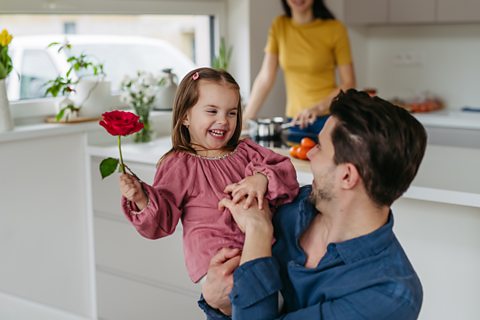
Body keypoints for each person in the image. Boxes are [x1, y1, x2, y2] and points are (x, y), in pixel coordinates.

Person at [199, 89, 427, 319]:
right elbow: (226, 294)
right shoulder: (288, 205)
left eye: (319, 146)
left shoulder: (389, 297)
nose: (310, 155)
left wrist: (258, 233)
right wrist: (218, 304)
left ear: (347, 176)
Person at [119, 67, 299, 284]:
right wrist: (140, 198)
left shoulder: (247, 151)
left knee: (271, 301)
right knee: (246, 300)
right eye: (212, 111)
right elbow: (162, 221)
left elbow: (286, 174)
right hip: (215, 262)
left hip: (262, 250)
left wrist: (261, 178)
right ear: (186, 116)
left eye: (231, 112)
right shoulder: (179, 164)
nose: (223, 120)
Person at [243, 0, 356, 140]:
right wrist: (245, 119)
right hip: (295, 121)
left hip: (327, 119)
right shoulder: (280, 25)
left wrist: (317, 108)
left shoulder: (335, 28)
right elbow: (265, 77)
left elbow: (349, 82)